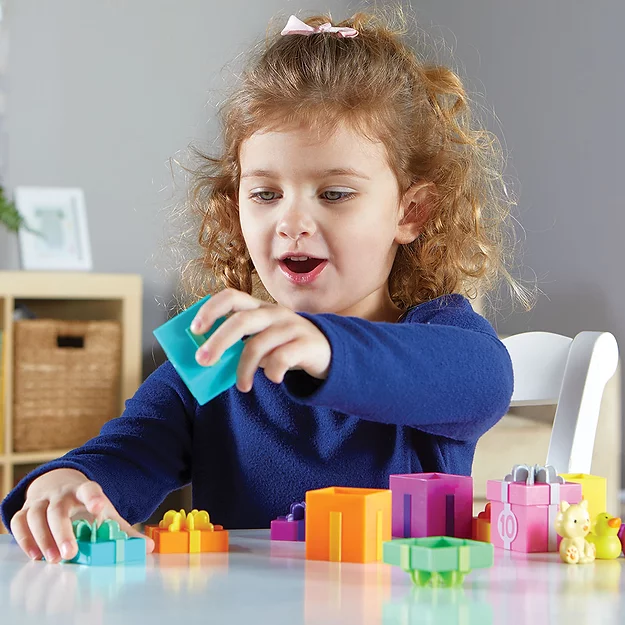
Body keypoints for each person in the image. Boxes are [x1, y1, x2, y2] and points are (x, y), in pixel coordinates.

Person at [1, 10, 531, 564]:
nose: (291, 222)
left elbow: (484, 378)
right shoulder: (218, 353)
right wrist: (68, 483)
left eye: (334, 194)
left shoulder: (439, 338)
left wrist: (325, 346)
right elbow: (130, 451)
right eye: (265, 194)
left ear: (411, 211)